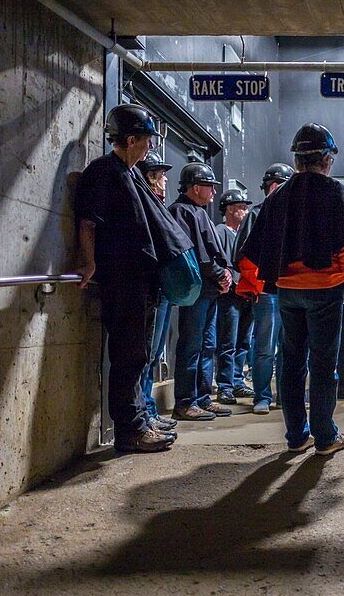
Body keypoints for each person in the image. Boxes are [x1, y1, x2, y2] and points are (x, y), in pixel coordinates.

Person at [239, 124, 344, 456]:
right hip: (324, 290)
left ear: (297, 160)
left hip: (286, 290)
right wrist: (343, 276)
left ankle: (296, 436)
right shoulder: (335, 191)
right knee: (324, 363)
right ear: (326, 159)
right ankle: (325, 437)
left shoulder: (277, 196)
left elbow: (258, 244)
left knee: (291, 361)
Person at [73, 104, 179, 453]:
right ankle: (130, 431)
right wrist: (88, 263)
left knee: (139, 355)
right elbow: (88, 222)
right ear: (130, 139)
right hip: (123, 280)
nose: (149, 149)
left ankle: (139, 419)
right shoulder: (104, 173)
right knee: (127, 355)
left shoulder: (131, 174)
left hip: (142, 280)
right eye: (146, 142)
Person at [168, 162, 233, 422]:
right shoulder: (181, 212)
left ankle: (203, 397)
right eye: (210, 187)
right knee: (192, 346)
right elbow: (195, 256)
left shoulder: (199, 212)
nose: (215, 193)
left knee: (208, 346)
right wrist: (220, 274)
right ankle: (185, 402)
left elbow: (212, 254)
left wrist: (225, 273)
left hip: (209, 291)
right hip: (197, 292)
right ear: (196, 188)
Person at [233, 163, 294, 414]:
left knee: (289, 350)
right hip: (267, 292)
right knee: (265, 348)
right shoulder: (256, 215)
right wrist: (258, 284)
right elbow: (245, 256)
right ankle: (262, 396)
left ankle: (285, 397)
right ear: (274, 186)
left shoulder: (294, 217)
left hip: (291, 291)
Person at [135, 155, 178, 434]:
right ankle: (143, 411)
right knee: (145, 353)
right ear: (149, 176)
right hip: (146, 286)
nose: (164, 180)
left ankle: (148, 408)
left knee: (152, 354)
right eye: (160, 175)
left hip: (161, 288)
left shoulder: (158, 206)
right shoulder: (142, 203)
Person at [213, 187, 254, 405]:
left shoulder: (243, 234)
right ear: (229, 209)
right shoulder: (220, 232)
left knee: (244, 341)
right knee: (227, 341)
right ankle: (225, 385)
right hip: (229, 295)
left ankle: (238, 380)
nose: (245, 212)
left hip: (246, 293)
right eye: (241, 208)